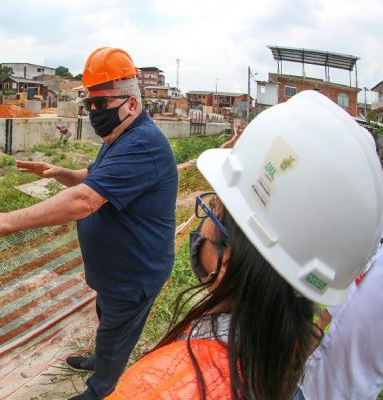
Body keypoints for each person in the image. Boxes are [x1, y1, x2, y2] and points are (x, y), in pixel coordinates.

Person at [106, 90, 383, 400]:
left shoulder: (162, 385)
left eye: (213, 208)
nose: (204, 222)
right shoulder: (282, 354)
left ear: (226, 261)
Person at [0, 47, 178, 400]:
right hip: (114, 273)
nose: (94, 112)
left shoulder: (143, 144)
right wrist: (61, 172)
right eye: (89, 104)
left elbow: (85, 200)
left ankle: (100, 389)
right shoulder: (119, 137)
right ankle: (99, 359)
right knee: (105, 317)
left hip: (135, 273)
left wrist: (6, 222)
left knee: (116, 333)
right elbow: (95, 179)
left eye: (102, 103)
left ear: (132, 105)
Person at [298, 241, 383, 400]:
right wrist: (320, 322)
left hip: (340, 393)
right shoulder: (377, 250)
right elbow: (356, 290)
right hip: (307, 373)